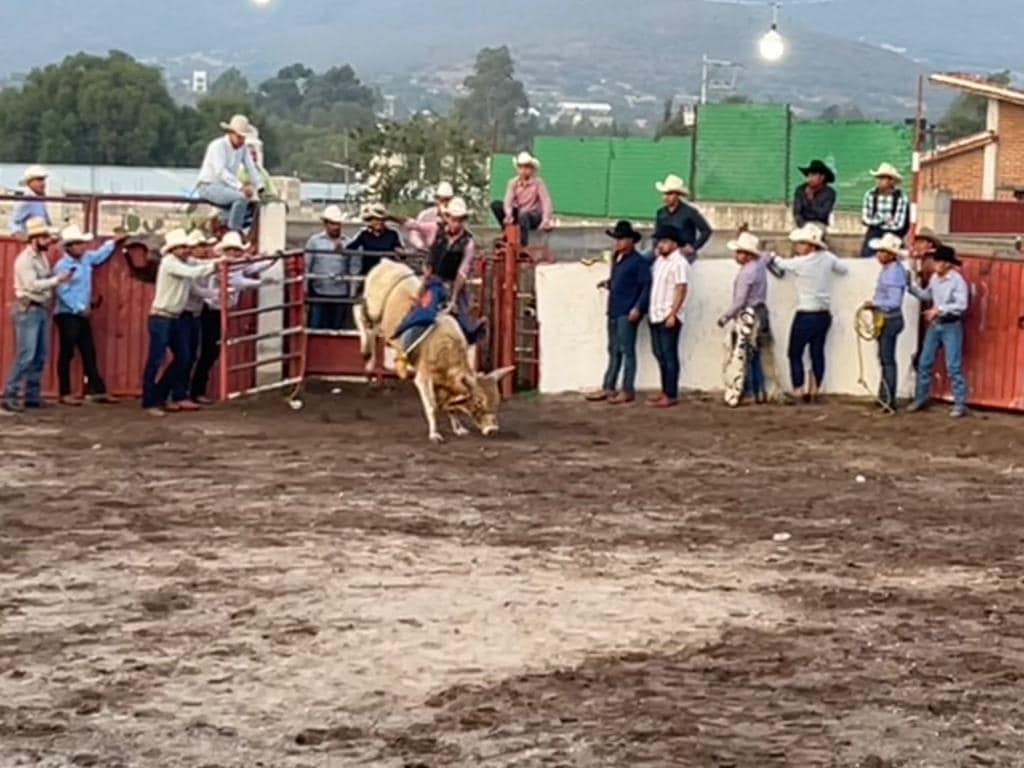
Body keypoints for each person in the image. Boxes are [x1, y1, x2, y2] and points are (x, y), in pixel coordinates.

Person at [393, 197, 482, 373]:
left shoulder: (468, 243)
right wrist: (391, 218)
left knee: (466, 326)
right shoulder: (435, 228)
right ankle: (404, 353)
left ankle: (459, 364)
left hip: (452, 284)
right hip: (433, 281)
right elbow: (412, 224)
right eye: (453, 218)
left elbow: (462, 272)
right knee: (422, 315)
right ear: (447, 217)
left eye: (460, 219)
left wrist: (454, 299)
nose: (456, 223)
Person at [141, 229, 222, 417]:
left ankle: (160, 395)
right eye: (182, 247)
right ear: (173, 250)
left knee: (183, 357)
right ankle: (150, 400)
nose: (187, 250)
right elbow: (194, 271)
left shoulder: (183, 262)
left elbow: (200, 265)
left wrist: (219, 262)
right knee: (158, 359)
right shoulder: (170, 263)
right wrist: (217, 265)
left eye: (187, 247)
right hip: (162, 316)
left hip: (172, 316)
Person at [190, 232, 271, 404]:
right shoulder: (221, 266)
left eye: (236, 250)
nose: (234, 253)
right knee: (208, 352)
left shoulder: (234, 266)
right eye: (231, 249)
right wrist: (262, 281)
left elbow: (251, 269)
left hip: (217, 310)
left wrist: (271, 260)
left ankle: (196, 390)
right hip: (211, 310)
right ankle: (195, 391)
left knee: (209, 352)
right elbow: (239, 281)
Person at [772, 224, 849, 403]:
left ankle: (799, 389)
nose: (798, 247)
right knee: (817, 352)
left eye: (801, 243)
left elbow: (779, 264)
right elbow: (843, 269)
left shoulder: (800, 263)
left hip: (806, 312)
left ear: (810, 246)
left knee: (795, 352)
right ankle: (814, 389)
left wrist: (773, 257)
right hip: (823, 313)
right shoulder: (828, 258)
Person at [2, 218, 72, 413]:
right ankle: (10, 394)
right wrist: (57, 280)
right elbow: (32, 284)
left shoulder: (40, 257)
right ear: (35, 238)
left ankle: (32, 395)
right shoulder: (25, 260)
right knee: (27, 354)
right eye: (44, 237)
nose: (48, 240)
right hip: (29, 307)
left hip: (38, 307)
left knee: (39, 354)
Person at [53, 224, 126, 406]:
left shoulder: (85, 259)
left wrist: (113, 242)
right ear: (69, 247)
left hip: (79, 313)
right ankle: (66, 392)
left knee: (88, 351)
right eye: (77, 244)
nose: (82, 247)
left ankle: (97, 390)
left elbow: (100, 254)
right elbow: (62, 291)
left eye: (82, 243)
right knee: (68, 352)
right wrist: (80, 307)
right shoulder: (62, 266)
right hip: (68, 313)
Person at [586, 221, 650, 405]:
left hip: (626, 310)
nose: (618, 242)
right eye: (617, 239)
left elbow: (645, 287)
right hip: (615, 309)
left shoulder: (638, 262)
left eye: (621, 239)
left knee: (626, 350)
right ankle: (609, 387)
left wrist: (638, 308)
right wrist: (608, 283)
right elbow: (620, 281)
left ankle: (626, 389)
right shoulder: (618, 258)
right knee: (614, 349)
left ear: (631, 241)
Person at [907, 245, 970, 418]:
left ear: (948, 264)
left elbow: (962, 305)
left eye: (939, 261)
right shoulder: (935, 278)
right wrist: (911, 287)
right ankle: (922, 398)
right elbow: (927, 295)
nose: (935, 264)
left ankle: (960, 403)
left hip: (950, 324)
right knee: (925, 361)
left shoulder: (957, 281)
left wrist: (939, 309)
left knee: (953, 366)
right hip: (938, 324)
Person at [718, 230, 771, 404]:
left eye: (739, 252)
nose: (737, 255)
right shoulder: (759, 266)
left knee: (743, 354)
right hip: (760, 311)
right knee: (754, 354)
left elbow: (739, 301)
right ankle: (759, 391)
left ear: (747, 255)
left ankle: (747, 392)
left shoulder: (746, 273)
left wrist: (725, 317)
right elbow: (767, 257)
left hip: (748, 315)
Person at [861, 233, 909, 411]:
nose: (879, 254)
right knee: (885, 358)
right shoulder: (893, 270)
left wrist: (875, 303)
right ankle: (885, 396)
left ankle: (888, 398)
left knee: (887, 360)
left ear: (891, 255)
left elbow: (894, 302)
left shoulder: (893, 273)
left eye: (883, 251)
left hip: (889, 319)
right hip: (889, 319)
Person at [196, 114, 263, 234]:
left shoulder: (242, 149)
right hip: (208, 186)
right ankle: (234, 232)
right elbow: (220, 171)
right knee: (241, 198)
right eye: (239, 137)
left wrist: (260, 187)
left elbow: (251, 167)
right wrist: (240, 187)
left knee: (249, 206)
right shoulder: (217, 146)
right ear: (231, 133)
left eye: (243, 138)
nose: (242, 141)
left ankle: (225, 226)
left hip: (225, 188)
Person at [647, 225, 690, 409]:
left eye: (664, 242)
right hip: (656, 312)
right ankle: (665, 390)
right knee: (660, 353)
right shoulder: (659, 262)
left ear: (673, 244)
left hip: (668, 314)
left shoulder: (679, 263)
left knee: (669, 354)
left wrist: (673, 313)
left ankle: (671, 393)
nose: (660, 245)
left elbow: (681, 289)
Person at [305, 205, 354, 330]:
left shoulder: (349, 243)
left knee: (337, 327)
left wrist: (352, 291)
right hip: (319, 291)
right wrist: (305, 288)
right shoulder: (314, 241)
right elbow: (307, 265)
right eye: (332, 224)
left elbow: (354, 267)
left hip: (340, 293)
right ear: (325, 224)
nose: (336, 227)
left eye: (338, 224)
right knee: (316, 325)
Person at [491, 152, 554, 247]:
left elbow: (546, 202)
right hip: (520, 214)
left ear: (532, 169)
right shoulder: (513, 183)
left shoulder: (538, 183)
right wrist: (508, 214)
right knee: (496, 205)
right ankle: (508, 233)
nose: (523, 170)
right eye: (521, 167)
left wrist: (546, 220)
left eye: (526, 167)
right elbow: (508, 201)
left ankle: (523, 244)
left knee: (524, 215)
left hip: (533, 216)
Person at [653, 174, 712, 263]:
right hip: (664, 249)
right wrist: (656, 247)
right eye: (665, 194)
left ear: (677, 195)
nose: (666, 197)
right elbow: (657, 234)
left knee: (679, 265)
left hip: (683, 250)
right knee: (643, 259)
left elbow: (706, 230)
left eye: (669, 194)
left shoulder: (689, 212)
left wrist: (694, 247)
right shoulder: (661, 213)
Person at [861, 162, 909, 258]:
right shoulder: (870, 194)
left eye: (883, 178)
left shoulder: (901, 197)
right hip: (874, 232)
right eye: (878, 177)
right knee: (867, 257)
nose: (879, 180)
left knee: (892, 257)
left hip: (893, 234)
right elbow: (866, 219)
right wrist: (883, 220)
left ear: (892, 181)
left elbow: (899, 224)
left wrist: (878, 220)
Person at [347, 203, 403, 281]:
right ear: (371, 220)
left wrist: (400, 251)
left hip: (386, 274)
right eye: (376, 219)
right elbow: (351, 248)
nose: (379, 222)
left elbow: (401, 253)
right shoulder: (364, 234)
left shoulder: (392, 234)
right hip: (369, 274)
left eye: (382, 219)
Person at [407, 182, 454, 250]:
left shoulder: (454, 217)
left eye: (448, 200)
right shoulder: (425, 215)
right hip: (424, 252)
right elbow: (414, 233)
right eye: (442, 200)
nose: (445, 203)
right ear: (436, 199)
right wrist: (421, 246)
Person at [793, 160, 837, 230]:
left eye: (813, 175)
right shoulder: (800, 190)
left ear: (822, 177)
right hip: (802, 225)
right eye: (809, 175)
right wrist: (804, 226)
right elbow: (797, 212)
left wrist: (811, 200)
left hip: (819, 225)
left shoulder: (830, 193)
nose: (810, 178)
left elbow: (822, 215)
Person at [11, 165, 52, 236]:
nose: (43, 183)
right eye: (39, 180)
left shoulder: (39, 199)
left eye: (43, 180)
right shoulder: (26, 201)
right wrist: (22, 237)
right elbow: (14, 223)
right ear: (29, 182)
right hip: (32, 240)